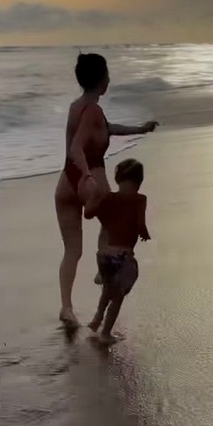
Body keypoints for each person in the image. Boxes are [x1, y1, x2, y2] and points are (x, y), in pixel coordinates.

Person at [54, 52, 158, 328]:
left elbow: (107, 129)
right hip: (89, 182)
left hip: (65, 182)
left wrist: (139, 128)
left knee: (72, 251)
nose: (109, 79)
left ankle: (66, 307)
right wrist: (88, 177)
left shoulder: (77, 107)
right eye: (107, 74)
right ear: (101, 79)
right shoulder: (93, 111)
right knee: (113, 227)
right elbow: (77, 147)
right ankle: (103, 273)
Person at [84, 158, 150, 345]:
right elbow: (140, 224)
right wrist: (145, 235)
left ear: (118, 180)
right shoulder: (140, 199)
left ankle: (97, 318)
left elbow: (88, 214)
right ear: (139, 181)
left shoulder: (109, 198)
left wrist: (93, 197)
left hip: (104, 256)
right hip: (123, 257)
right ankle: (105, 333)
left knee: (108, 288)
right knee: (118, 296)